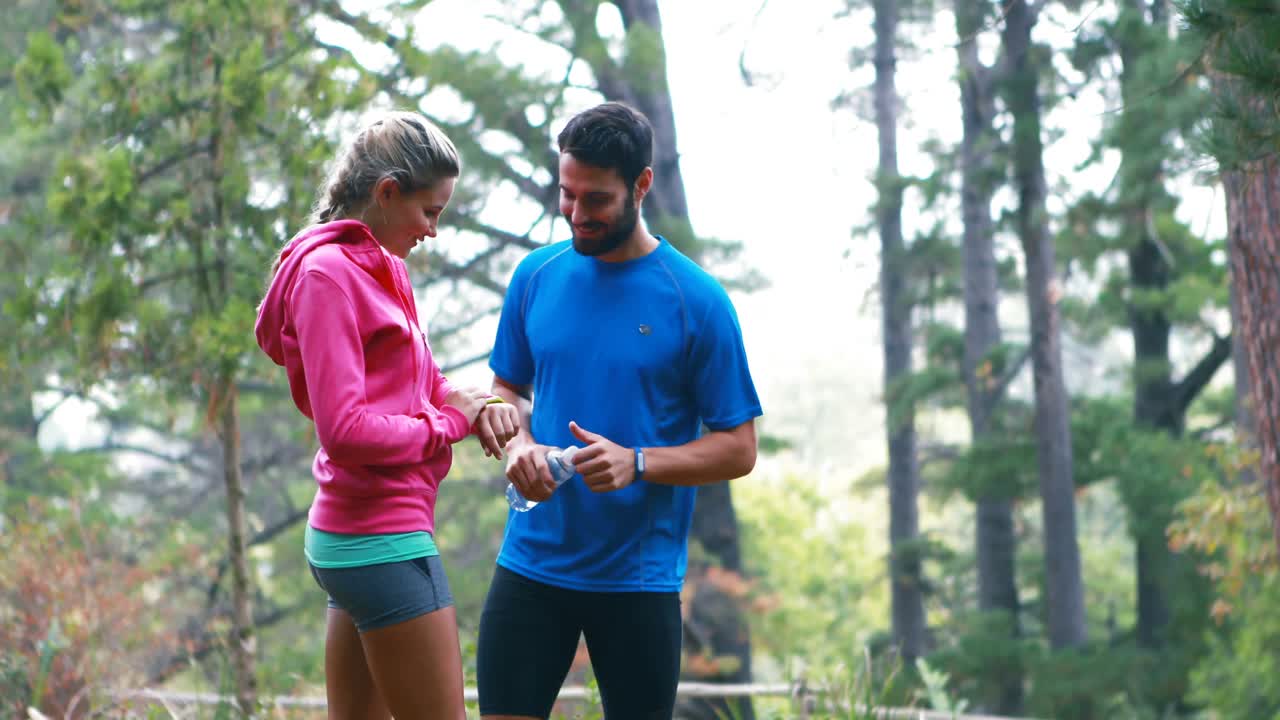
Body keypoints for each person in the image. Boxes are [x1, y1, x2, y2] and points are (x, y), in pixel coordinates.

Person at [477, 101, 763, 720]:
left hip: (638, 582)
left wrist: (638, 462)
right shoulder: (536, 276)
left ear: (642, 185)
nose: (576, 215)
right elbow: (506, 393)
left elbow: (739, 447)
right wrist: (519, 445)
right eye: (566, 193)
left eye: (596, 199)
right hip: (530, 565)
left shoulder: (698, 301)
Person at [254, 111, 519, 720]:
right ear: (386, 192)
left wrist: (469, 401)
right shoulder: (328, 276)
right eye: (430, 212)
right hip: (381, 538)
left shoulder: (383, 267)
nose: (433, 230)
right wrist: (450, 424)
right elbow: (344, 431)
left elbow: (417, 376)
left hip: (364, 537)